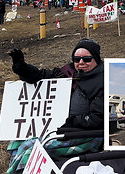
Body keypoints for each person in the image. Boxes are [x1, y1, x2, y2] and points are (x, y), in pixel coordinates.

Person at [7, 38, 104, 173]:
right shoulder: (67, 72)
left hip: (83, 133)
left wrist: (71, 122)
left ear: (96, 59)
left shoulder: (102, 80)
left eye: (87, 59)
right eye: (77, 59)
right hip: (58, 127)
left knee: (31, 148)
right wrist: (22, 68)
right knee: (18, 140)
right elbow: (40, 76)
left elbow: (98, 119)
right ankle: (19, 168)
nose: (81, 63)